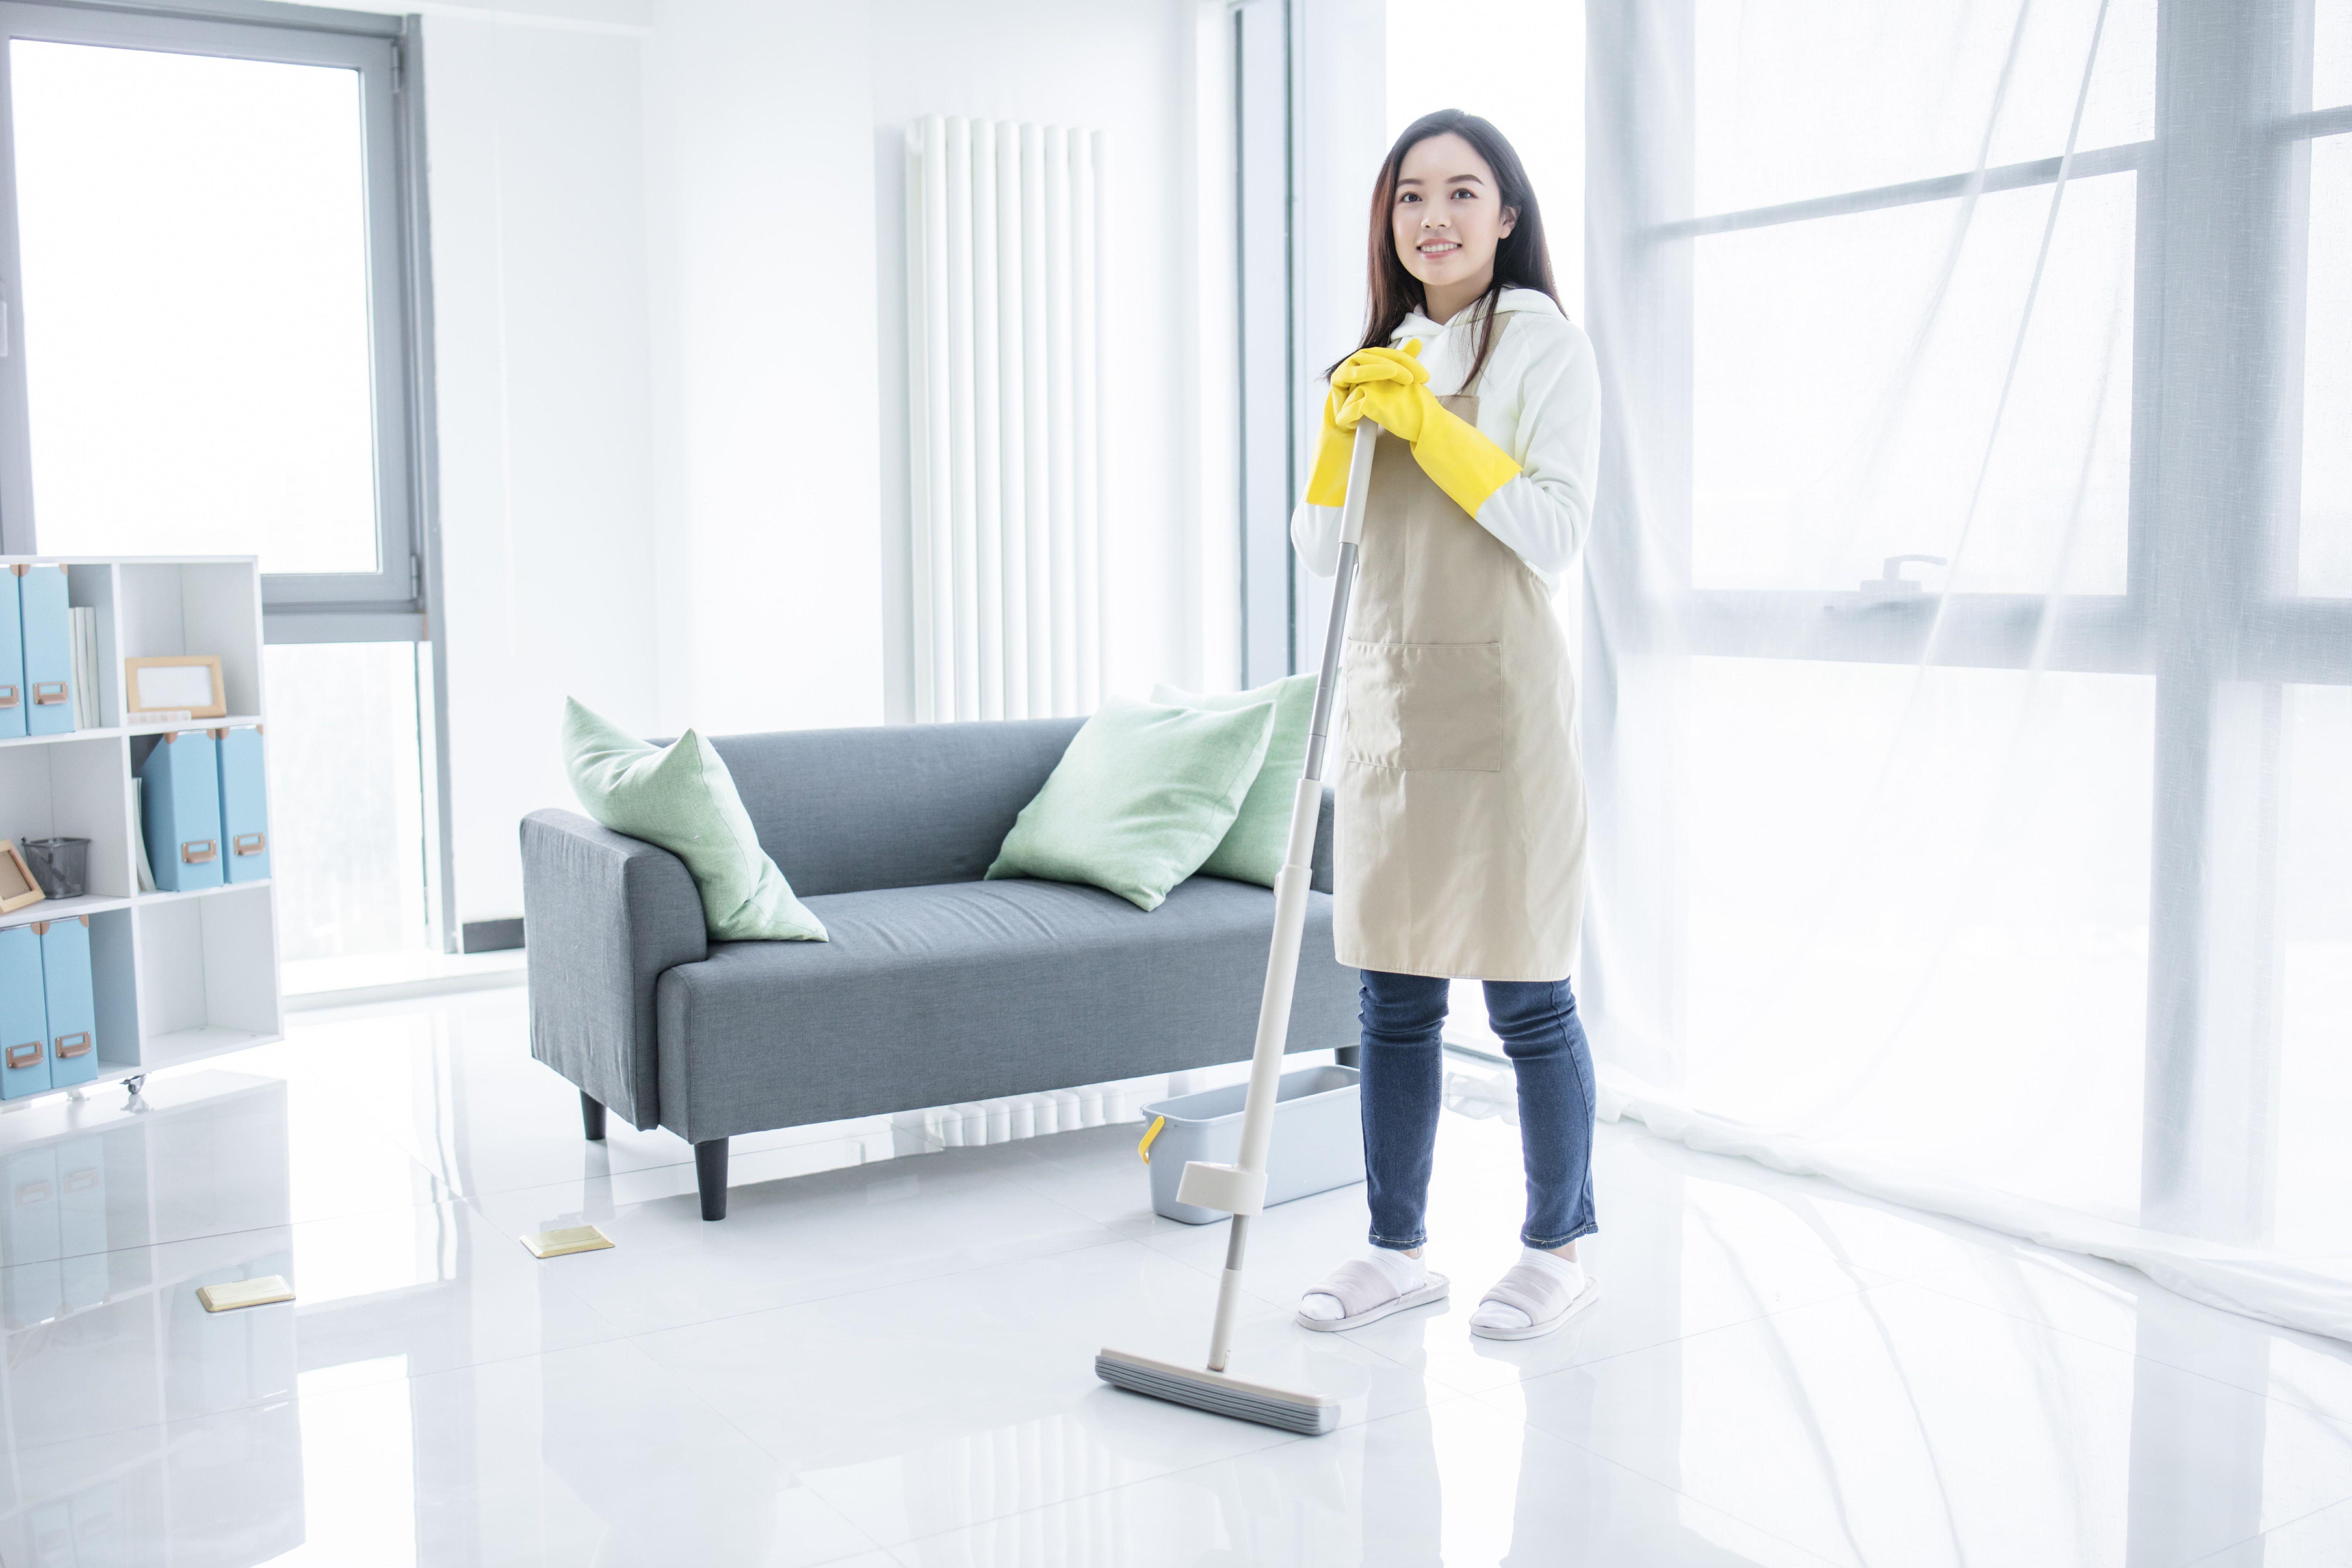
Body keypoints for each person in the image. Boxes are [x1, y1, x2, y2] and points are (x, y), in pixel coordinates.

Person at [1291, 109, 1602, 1342]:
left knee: (1529, 996)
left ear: (1508, 215)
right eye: (1411, 197)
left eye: (1463, 193)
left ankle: (1560, 1245)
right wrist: (1339, 434)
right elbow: (1328, 553)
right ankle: (1394, 1249)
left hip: (1504, 706)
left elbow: (1556, 533)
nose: (1434, 217)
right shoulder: (1380, 356)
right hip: (1395, 712)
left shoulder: (1543, 349)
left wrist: (1437, 430)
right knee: (1394, 1002)